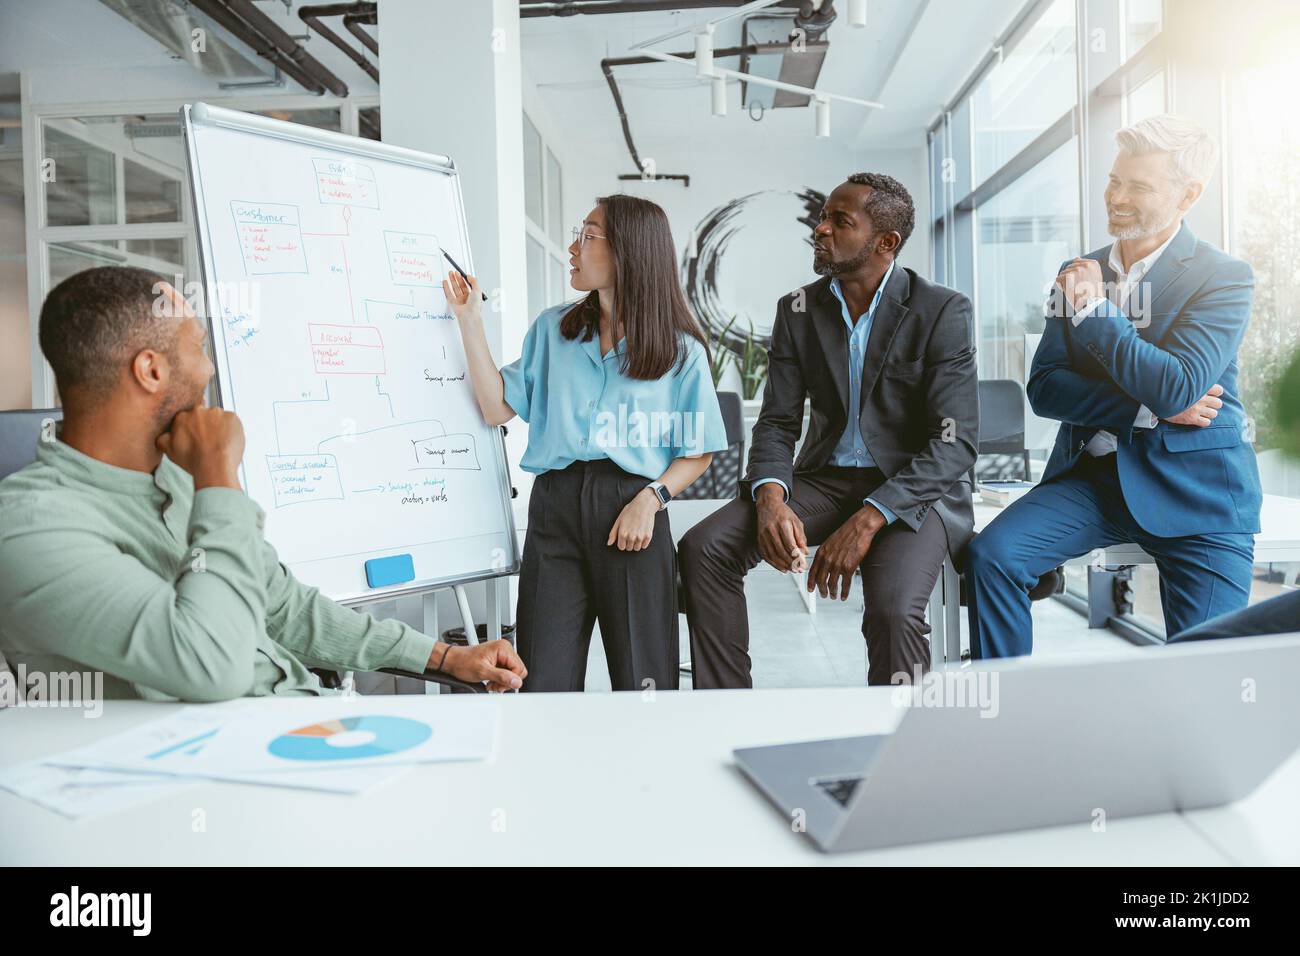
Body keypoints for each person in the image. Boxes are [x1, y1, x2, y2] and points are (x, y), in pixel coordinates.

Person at [0, 267, 525, 701]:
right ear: (151, 371)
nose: (209, 368)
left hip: (295, 726)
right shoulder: (32, 529)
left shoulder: (173, 478)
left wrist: (445, 657)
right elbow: (210, 665)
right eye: (197, 347)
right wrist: (217, 481)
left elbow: (281, 605)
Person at [966, 114, 1262, 658]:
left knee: (1206, 666)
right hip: (1096, 483)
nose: (1117, 197)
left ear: (1188, 194)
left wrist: (1095, 309)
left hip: (1197, 495)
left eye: (1139, 186)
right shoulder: (1077, 269)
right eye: (1113, 180)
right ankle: (1005, 714)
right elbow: (1046, 388)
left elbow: (1176, 385)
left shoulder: (1223, 277)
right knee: (993, 557)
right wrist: (1148, 410)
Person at [678, 172, 979, 688]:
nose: (821, 230)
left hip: (912, 491)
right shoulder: (797, 310)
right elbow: (777, 420)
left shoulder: (941, 310)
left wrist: (868, 520)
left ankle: (900, 753)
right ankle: (726, 709)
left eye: (840, 221)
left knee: (892, 612)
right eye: (823, 219)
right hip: (826, 479)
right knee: (705, 547)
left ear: (886, 243)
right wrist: (771, 498)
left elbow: (955, 443)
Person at [445, 194, 728, 693]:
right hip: (555, 508)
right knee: (539, 681)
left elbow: (697, 451)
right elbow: (496, 408)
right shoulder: (554, 331)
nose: (573, 247)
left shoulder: (680, 351)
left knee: (645, 681)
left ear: (629, 252)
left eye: (589, 236)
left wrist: (651, 498)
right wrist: (470, 320)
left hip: (632, 513)